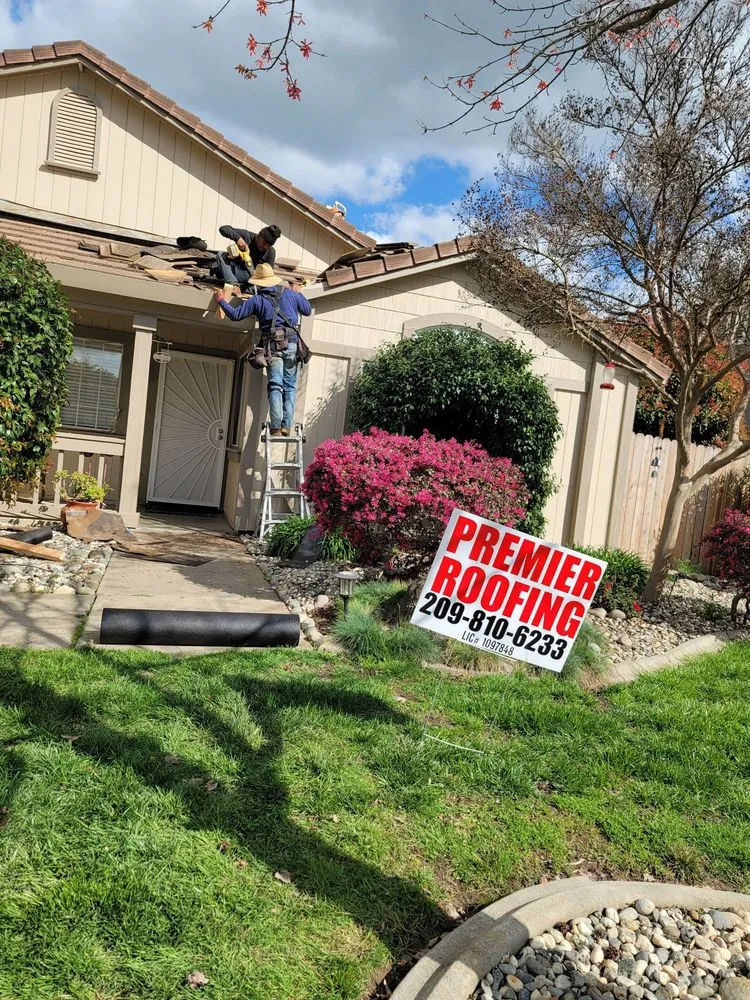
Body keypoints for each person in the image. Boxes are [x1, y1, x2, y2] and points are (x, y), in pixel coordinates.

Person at [216, 263, 312, 436]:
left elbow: (236, 315)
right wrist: (299, 293)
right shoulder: (290, 294)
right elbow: (307, 310)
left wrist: (221, 300)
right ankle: (286, 425)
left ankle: (275, 427)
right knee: (290, 387)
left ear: (259, 283)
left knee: (275, 386)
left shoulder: (257, 300)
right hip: (292, 344)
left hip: (273, 345)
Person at [212, 224, 281, 288]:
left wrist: (257, 274)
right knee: (221, 255)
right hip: (233, 269)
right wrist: (238, 238)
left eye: (268, 245)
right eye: (264, 243)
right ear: (259, 236)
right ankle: (233, 285)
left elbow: (268, 276)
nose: (265, 247)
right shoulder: (247, 236)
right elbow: (223, 229)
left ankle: (232, 281)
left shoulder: (271, 251)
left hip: (251, 278)